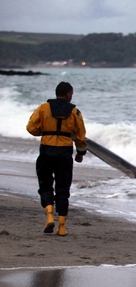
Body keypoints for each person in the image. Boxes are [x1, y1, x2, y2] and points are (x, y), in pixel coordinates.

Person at [26, 81, 87, 236]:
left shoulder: (43, 108)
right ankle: (61, 227)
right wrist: (81, 153)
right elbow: (80, 135)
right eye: (71, 94)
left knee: (45, 184)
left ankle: (49, 217)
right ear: (68, 94)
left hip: (46, 149)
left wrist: (46, 132)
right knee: (63, 187)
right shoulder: (75, 111)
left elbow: (31, 128)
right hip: (65, 152)